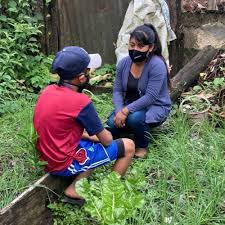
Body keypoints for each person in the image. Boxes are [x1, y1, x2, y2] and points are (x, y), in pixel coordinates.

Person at [33, 46, 135, 205]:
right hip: (61, 164)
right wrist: (105, 135)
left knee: (92, 140)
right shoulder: (81, 102)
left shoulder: (47, 91)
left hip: (45, 157)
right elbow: (107, 141)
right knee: (128, 146)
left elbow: (62, 128)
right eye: (89, 71)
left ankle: (75, 187)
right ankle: (109, 193)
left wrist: (90, 136)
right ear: (81, 78)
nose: (91, 73)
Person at [107, 24, 171, 158]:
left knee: (135, 119)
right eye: (132, 44)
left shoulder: (157, 65)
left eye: (140, 46)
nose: (135, 49)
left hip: (154, 106)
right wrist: (119, 110)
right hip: (130, 105)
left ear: (151, 48)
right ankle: (122, 141)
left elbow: (150, 97)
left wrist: (125, 111)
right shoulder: (124, 63)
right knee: (112, 123)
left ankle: (142, 146)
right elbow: (117, 90)